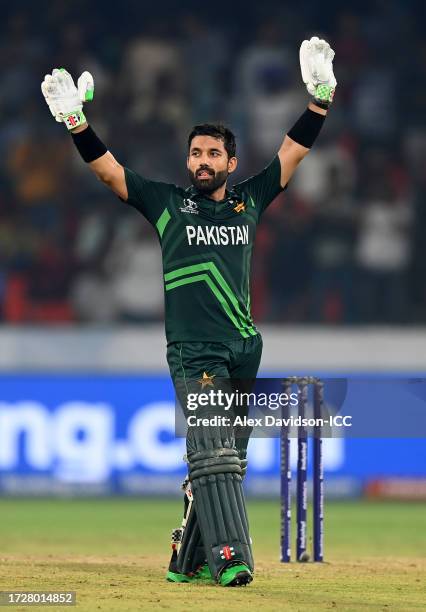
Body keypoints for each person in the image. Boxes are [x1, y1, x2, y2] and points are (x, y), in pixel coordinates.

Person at [41, 36, 336, 587]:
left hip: (245, 347)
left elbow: (292, 152)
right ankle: (231, 559)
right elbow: (110, 173)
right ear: (188, 160)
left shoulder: (252, 198)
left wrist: (320, 101)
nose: (202, 162)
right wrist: (77, 125)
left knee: (231, 459)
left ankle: (188, 560)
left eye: (212, 155)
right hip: (194, 349)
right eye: (196, 154)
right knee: (212, 453)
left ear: (231, 162)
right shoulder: (167, 204)